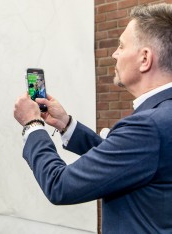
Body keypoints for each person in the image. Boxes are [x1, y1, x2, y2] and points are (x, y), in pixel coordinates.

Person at [14, 3, 172, 233]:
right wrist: (66, 124)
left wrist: (33, 125)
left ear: (145, 58)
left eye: (121, 46)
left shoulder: (148, 126)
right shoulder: (160, 117)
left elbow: (60, 186)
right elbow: (126, 160)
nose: (114, 54)